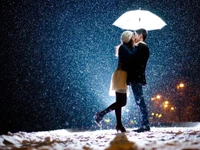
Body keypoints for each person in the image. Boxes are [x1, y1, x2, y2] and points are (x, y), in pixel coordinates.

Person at [94, 31, 134, 133]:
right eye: (132, 37)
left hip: (121, 74)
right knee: (122, 102)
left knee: (119, 102)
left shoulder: (124, 47)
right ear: (128, 38)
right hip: (121, 75)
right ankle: (101, 114)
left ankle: (119, 125)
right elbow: (131, 58)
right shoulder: (124, 48)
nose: (133, 39)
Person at [127, 28, 150, 133]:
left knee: (140, 101)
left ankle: (145, 125)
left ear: (141, 35)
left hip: (136, 77)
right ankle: (144, 124)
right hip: (137, 77)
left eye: (135, 34)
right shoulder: (142, 47)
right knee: (139, 101)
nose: (133, 37)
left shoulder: (141, 47)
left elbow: (132, 60)